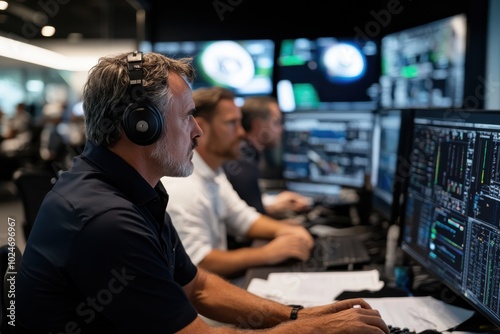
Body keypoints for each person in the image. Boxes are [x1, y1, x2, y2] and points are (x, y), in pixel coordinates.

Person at [16, 51, 389, 334]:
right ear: (142, 126)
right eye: (186, 116)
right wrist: (314, 329)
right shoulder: (106, 221)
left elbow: (200, 287)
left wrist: (298, 314)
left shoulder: (134, 190)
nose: (198, 131)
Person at [161, 87, 314, 281]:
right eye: (232, 123)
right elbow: (198, 262)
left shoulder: (213, 172)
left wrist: (287, 230)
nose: (242, 133)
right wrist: (268, 253)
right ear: (201, 129)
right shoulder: (183, 187)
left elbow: (242, 217)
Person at [223, 95, 311, 217]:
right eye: (277, 123)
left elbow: (246, 207)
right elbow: (249, 221)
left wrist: (273, 204)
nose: (282, 129)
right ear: (258, 125)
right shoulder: (243, 163)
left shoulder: (245, 152)